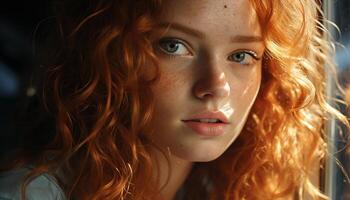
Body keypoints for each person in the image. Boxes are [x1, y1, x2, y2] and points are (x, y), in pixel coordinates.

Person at [0, 0, 349, 199]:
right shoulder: (32, 194)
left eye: (242, 55)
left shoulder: (219, 189)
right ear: (112, 56)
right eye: (174, 46)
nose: (215, 86)